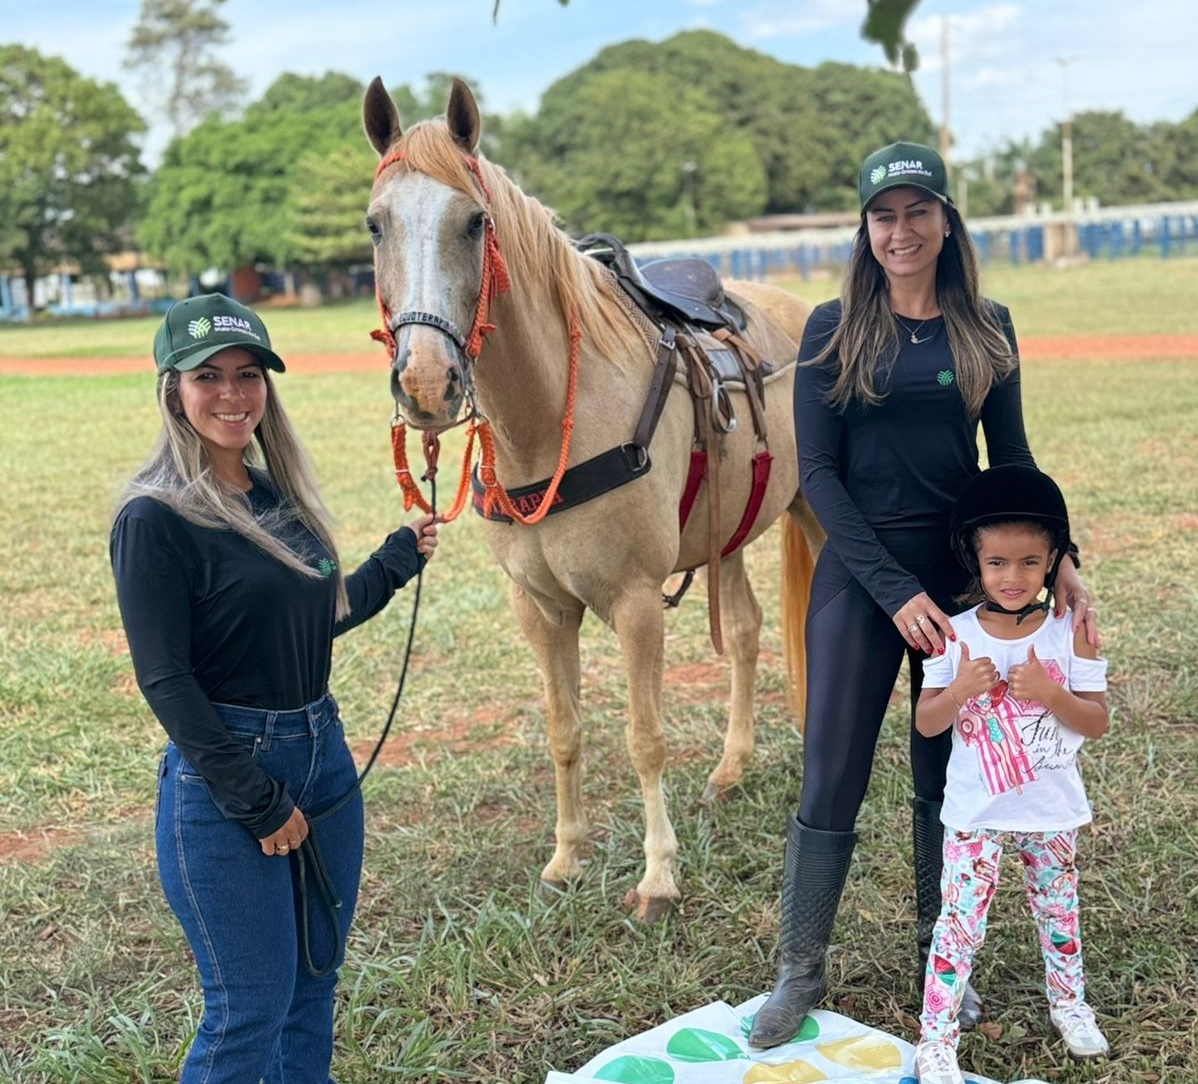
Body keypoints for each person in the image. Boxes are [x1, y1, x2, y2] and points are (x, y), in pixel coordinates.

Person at [748, 142, 1098, 1049]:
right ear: (866, 231)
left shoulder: (988, 324)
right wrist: (894, 588)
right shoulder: (832, 328)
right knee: (832, 774)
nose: (899, 231)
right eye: (882, 216)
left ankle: (936, 954)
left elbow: (1010, 464)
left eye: (916, 212)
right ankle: (799, 970)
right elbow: (818, 475)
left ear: (946, 220)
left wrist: (1061, 554)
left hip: (961, 583)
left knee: (951, 777)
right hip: (865, 579)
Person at [110, 293, 439, 1083]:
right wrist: (255, 800)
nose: (232, 394)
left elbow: (306, 622)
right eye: (209, 376)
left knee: (311, 990)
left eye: (248, 374)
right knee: (248, 1009)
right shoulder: (154, 518)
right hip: (227, 776)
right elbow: (165, 677)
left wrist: (396, 561)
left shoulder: (274, 495)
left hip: (322, 757)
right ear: (173, 389)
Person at [911, 464, 1109, 1084]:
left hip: (1050, 812)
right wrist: (959, 688)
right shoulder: (957, 636)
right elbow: (926, 724)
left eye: (1029, 562)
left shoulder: (1069, 633)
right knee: (959, 922)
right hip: (976, 815)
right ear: (976, 560)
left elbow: (1097, 720)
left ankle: (1070, 1005)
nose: (1013, 576)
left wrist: (1051, 692)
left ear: (1053, 560)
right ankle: (936, 1037)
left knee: (1059, 913)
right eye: (997, 562)